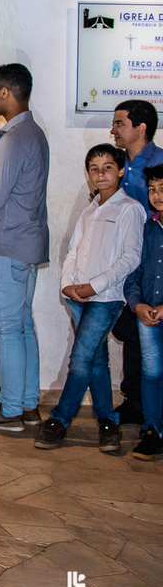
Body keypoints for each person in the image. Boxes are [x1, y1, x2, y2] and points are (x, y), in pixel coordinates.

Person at [34, 145, 144, 452]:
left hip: (105, 298)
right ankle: (108, 424)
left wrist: (94, 287)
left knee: (81, 359)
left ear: (120, 171)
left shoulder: (130, 209)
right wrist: (66, 284)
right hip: (77, 295)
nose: (100, 174)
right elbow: (74, 250)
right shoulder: (89, 210)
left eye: (107, 167)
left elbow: (130, 258)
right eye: (94, 169)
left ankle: (59, 419)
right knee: (96, 360)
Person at [0, 64, 50, 432]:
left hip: (5, 244)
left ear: (5, 92)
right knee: (22, 327)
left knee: (6, 331)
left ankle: (12, 410)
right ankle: (28, 405)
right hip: (27, 243)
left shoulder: (14, 138)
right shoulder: (34, 133)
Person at [109, 99, 162, 426]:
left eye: (119, 123)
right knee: (129, 330)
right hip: (122, 263)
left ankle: (151, 409)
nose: (112, 130)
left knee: (150, 335)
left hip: (153, 261)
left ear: (140, 128)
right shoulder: (116, 164)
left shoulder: (159, 163)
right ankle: (135, 402)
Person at [125, 164, 163, 459]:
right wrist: (137, 304)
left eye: (162, 189)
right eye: (152, 189)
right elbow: (134, 273)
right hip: (148, 316)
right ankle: (152, 430)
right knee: (151, 374)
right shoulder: (147, 229)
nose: (157, 195)